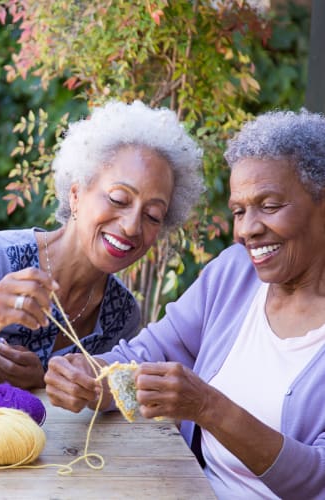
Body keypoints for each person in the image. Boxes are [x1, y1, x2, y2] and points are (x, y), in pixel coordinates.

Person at [45, 108, 325, 499]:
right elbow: (146, 354)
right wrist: (91, 379)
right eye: (239, 211)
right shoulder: (234, 274)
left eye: (270, 205)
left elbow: (315, 479)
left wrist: (209, 407)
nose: (247, 230)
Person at [0, 100, 203, 391]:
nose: (132, 226)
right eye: (118, 200)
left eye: (152, 215)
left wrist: (41, 381)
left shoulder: (120, 316)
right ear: (76, 194)